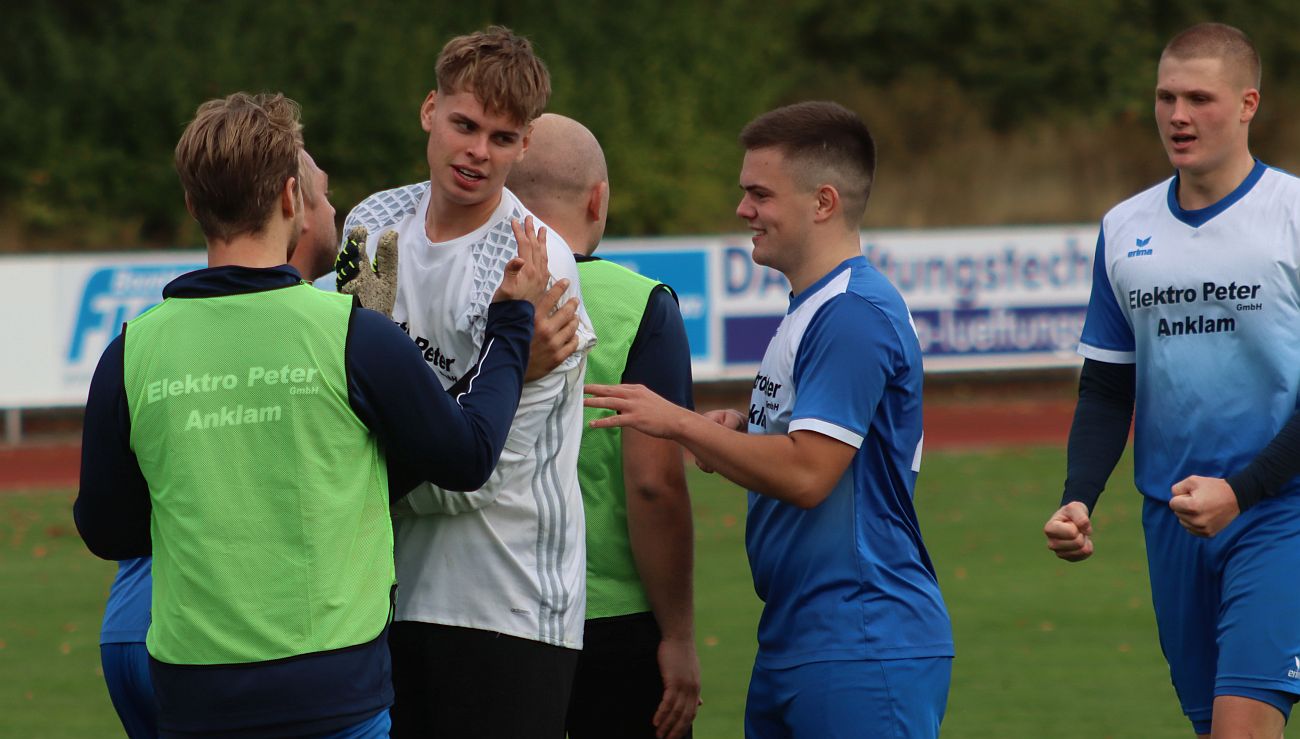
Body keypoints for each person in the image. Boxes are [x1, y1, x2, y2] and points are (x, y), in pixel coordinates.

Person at [74, 90, 548, 737]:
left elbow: (108, 530)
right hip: (333, 693)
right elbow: (468, 456)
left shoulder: (130, 352)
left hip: (194, 693)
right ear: (292, 199)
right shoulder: (354, 335)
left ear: (193, 205)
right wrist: (512, 326)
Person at [584, 101, 953, 738]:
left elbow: (810, 474)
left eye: (759, 193)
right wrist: (740, 436)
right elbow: (805, 453)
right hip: (803, 633)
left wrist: (677, 422)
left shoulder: (851, 312)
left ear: (823, 202)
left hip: (860, 635)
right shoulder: (812, 308)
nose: (743, 210)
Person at [1043, 22, 1300, 738]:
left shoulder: (1293, 215)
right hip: (1174, 519)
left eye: (1199, 98)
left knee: (1241, 728)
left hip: (1281, 509)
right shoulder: (1124, 228)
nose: (1178, 115)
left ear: (1248, 103)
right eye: (1165, 97)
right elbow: (1105, 386)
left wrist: (1242, 490)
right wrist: (1077, 496)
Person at [338, 27, 594, 738]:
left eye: (503, 137)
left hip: (506, 596)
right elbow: (345, 408)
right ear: (430, 110)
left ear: (525, 145)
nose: (479, 151)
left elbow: (478, 470)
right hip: (382, 592)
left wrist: (362, 480)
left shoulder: (538, 265)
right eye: (465, 125)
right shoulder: (369, 228)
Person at [93, 144, 343, 739]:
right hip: (219, 642)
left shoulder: (162, 332)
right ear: (296, 205)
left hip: (131, 622)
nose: (337, 209)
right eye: (326, 193)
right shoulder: (334, 336)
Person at [507, 113, 701, 739]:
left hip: (489, 613)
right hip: (612, 620)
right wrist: (677, 635)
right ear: (598, 199)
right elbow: (653, 485)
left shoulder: (460, 292)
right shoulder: (642, 304)